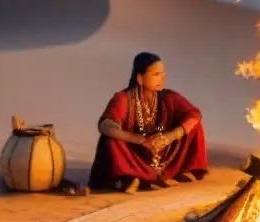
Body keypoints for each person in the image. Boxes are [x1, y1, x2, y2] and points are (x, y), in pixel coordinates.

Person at [88, 52, 209, 194]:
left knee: (195, 125)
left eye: (163, 73)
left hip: (161, 150)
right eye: (156, 74)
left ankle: (181, 170)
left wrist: (170, 136)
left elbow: (195, 114)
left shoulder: (168, 96)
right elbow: (105, 125)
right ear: (140, 78)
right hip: (135, 153)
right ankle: (132, 177)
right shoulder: (123, 98)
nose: (162, 78)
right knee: (112, 141)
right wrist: (141, 140)